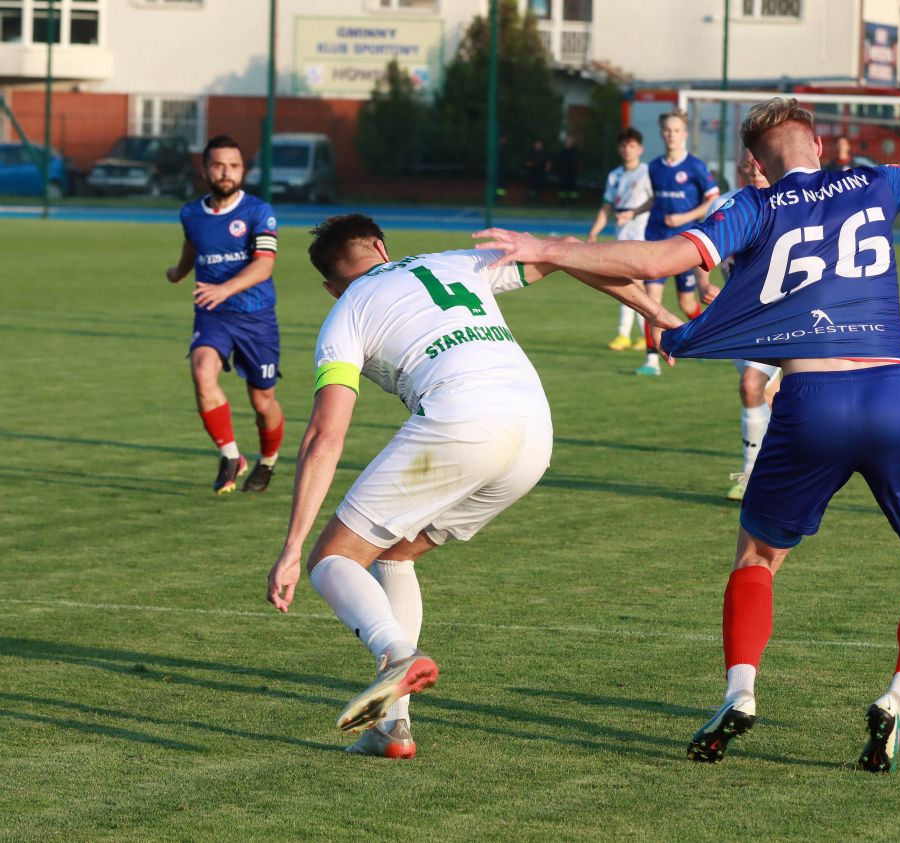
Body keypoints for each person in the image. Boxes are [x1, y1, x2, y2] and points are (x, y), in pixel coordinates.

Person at [473, 97, 900, 774]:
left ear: (757, 164)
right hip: (892, 390)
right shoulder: (874, 180)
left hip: (808, 398)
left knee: (757, 559)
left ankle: (741, 691)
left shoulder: (753, 207)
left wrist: (549, 248)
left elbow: (658, 260)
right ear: (817, 145)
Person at [265, 214, 678, 758]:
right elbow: (564, 249)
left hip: (461, 423)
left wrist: (293, 548)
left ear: (329, 286)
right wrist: (655, 312)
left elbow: (325, 434)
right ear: (382, 248)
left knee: (333, 559)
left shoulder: (346, 312)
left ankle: (396, 654)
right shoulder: (453, 262)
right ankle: (392, 727)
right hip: (534, 435)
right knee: (395, 553)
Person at [166, 134, 284, 495]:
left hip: (255, 316)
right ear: (205, 170)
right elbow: (193, 245)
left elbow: (264, 266)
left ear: (243, 170)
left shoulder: (259, 212)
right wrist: (179, 272)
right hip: (212, 313)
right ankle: (231, 456)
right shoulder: (191, 213)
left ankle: (268, 460)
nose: (226, 172)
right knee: (202, 373)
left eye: (234, 166)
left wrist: (224, 289)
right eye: (218, 165)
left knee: (262, 401)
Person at [708, 150, 780, 502]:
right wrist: (703, 281)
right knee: (772, 398)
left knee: (752, 385)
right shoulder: (724, 204)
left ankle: (751, 475)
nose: (754, 170)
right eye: (748, 164)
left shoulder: (787, 204)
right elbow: (703, 250)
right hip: (735, 320)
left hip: (776, 318)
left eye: (759, 163)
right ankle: (785, 469)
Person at [635, 109, 721, 376]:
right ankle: (651, 360)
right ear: (662, 134)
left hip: (685, 246)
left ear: (684, 134)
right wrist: (634, 211)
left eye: (676, 130)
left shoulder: (695, 166)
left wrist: (684, 217)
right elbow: (656, 199)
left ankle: (705, 340)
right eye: (667, 130)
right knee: (651, 304)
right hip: (656, 243)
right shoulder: (654, 167)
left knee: (687, 304)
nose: (671, 135)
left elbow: (713, 199)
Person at [588, 127, 653, 352]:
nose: (627, 150)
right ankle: (627, 335)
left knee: (636, 286)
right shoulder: (614, 175)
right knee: (624, 283)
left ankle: (644, 335)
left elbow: (653, 200)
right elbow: (606, 207)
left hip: (641, 236)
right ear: (619, 149)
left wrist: (633, 213)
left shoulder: (646, 172)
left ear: (640, 149)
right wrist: (594, 232)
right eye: (624, 146)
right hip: (621, 236)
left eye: (632, 146)